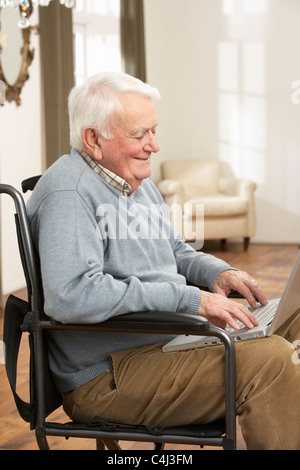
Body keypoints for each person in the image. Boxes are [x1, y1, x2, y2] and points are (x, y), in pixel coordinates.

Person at [27, 72, 300, 450]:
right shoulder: (68, 193)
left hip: (164, 344)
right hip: (109, 374)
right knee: (271, 362)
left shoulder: (135, 181)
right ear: (93, 139)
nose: (154, 145)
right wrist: (190, 299)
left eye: (154, 131)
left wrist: (219, 273)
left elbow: (175, 250)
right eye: (139, 135)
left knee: (293, 320)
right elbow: (71, 295)